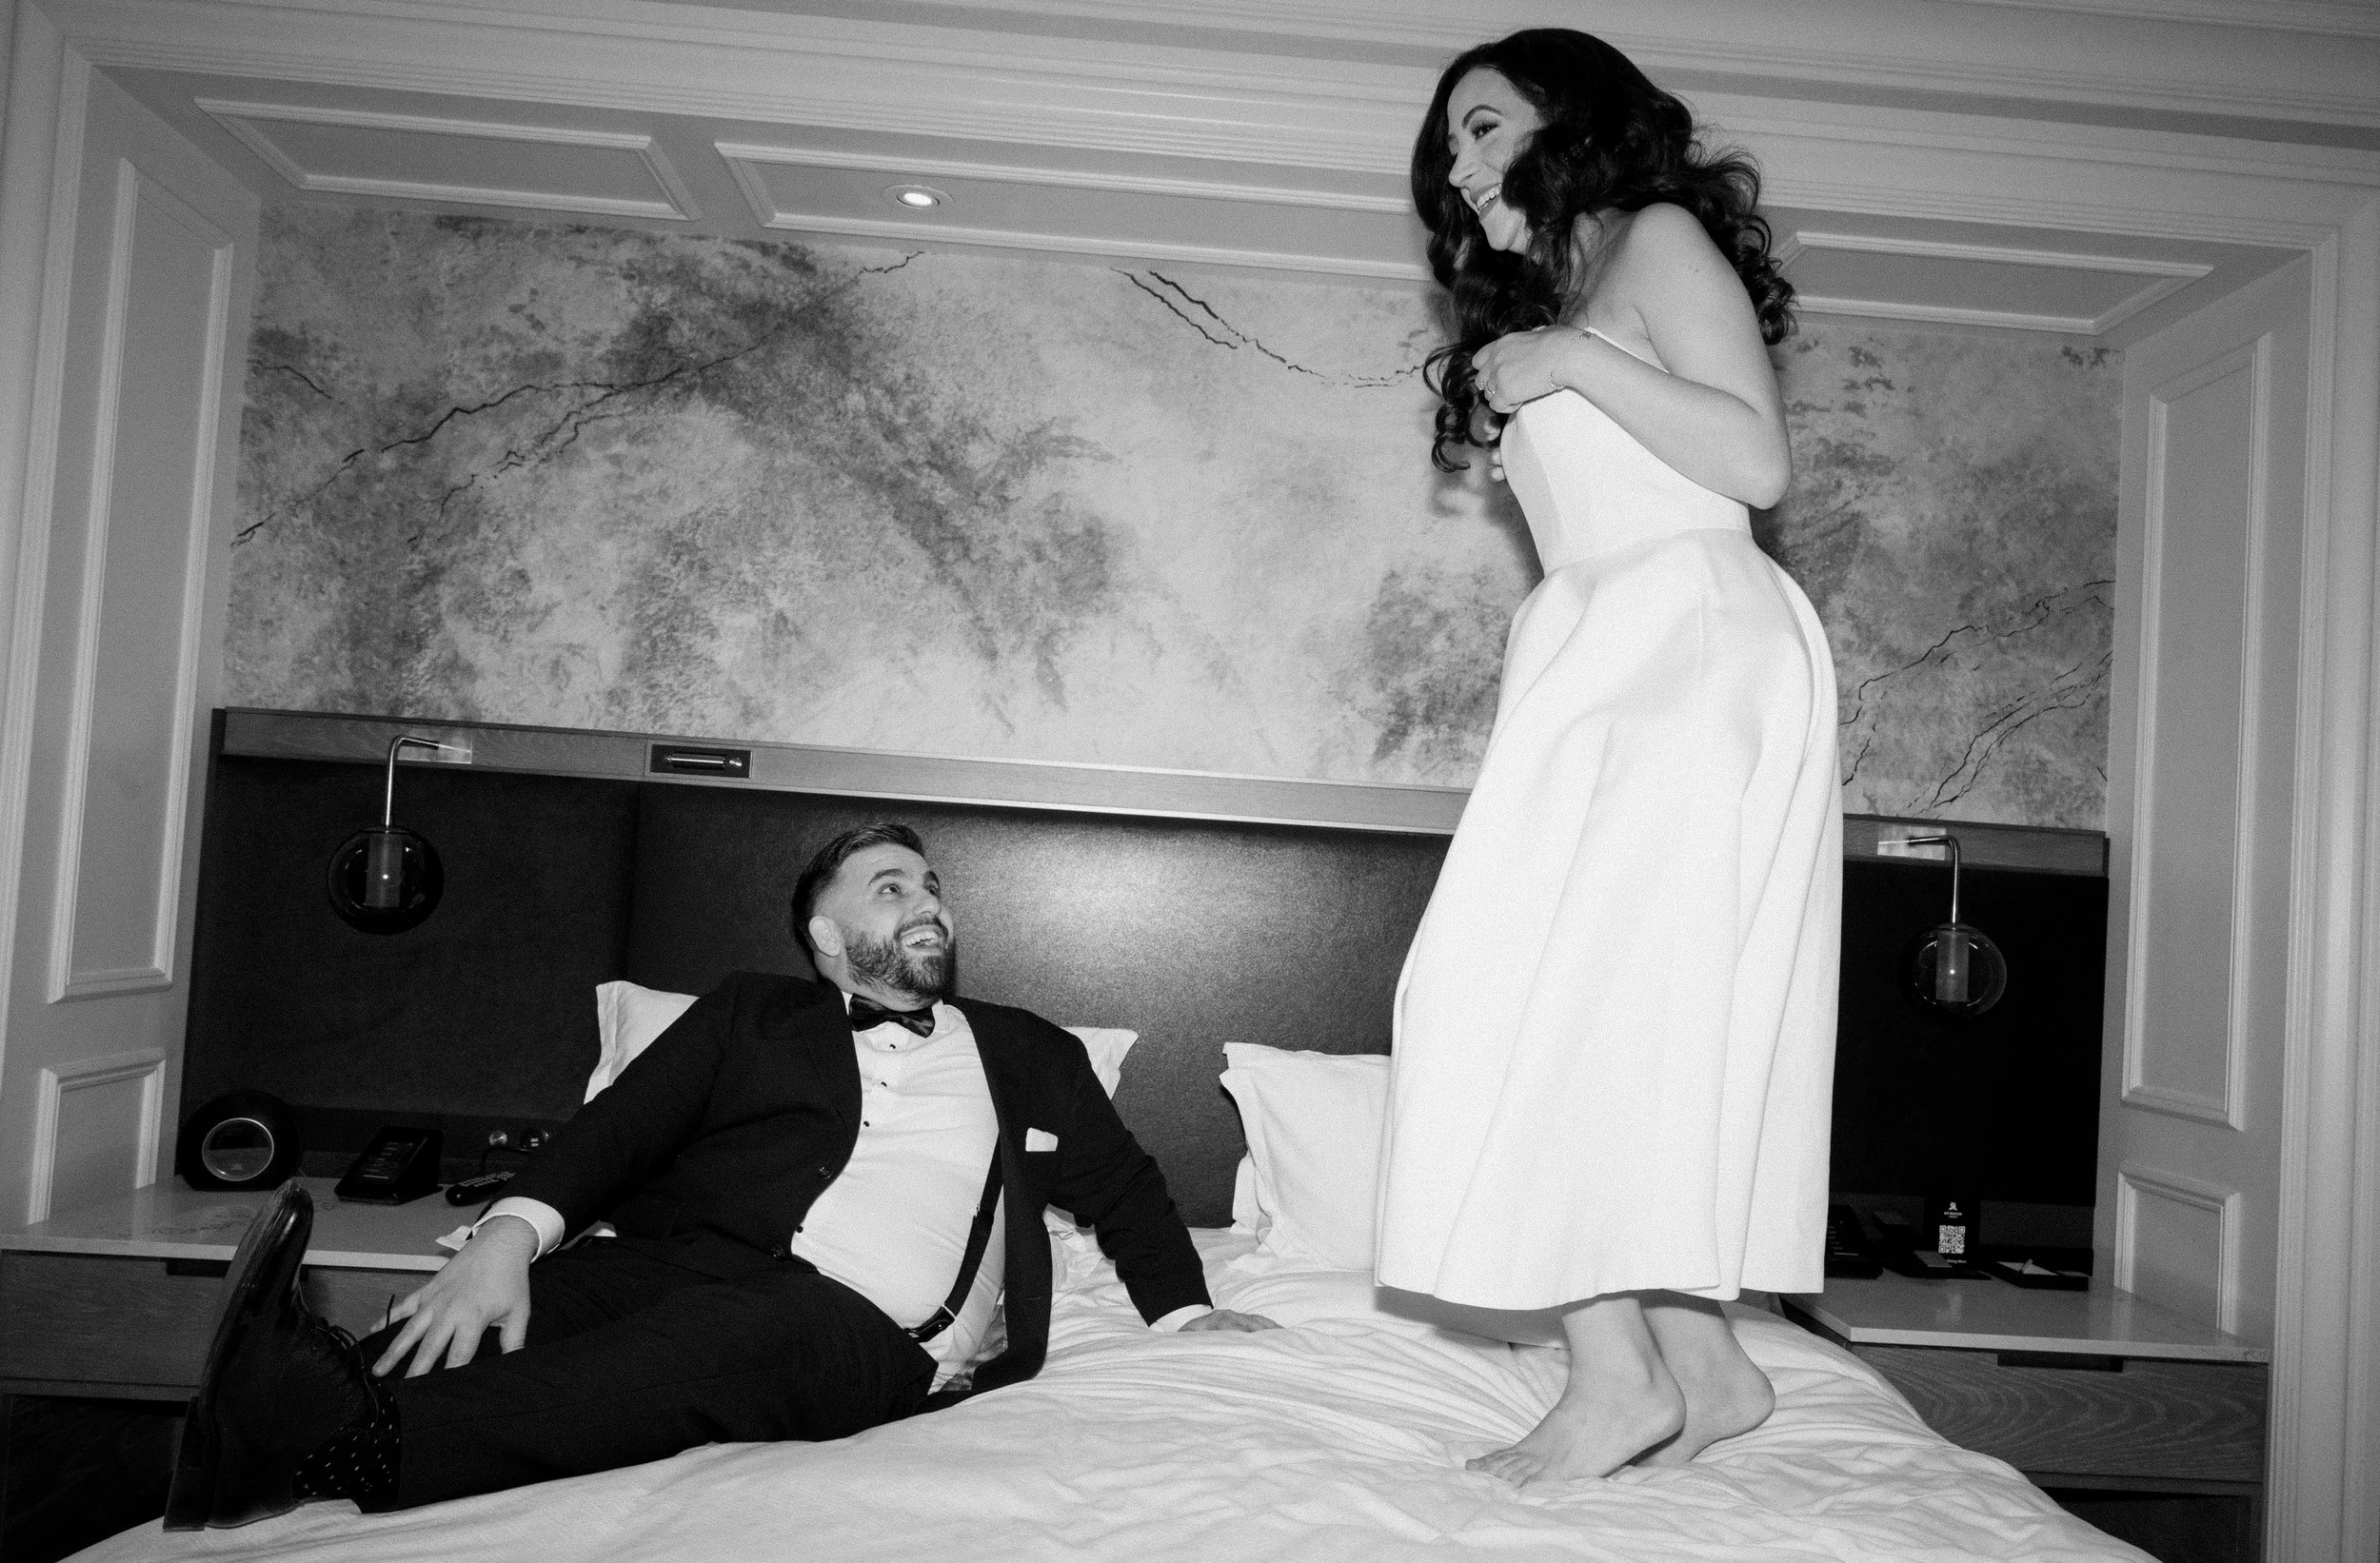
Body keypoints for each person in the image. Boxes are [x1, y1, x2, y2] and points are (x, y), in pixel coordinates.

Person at [167, 821, 1273, 1530]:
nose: (929, 901)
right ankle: (284, 1405)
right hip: (682, 1262)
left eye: (933, 886)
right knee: (529, 1306)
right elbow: (623, 1129)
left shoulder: (1026, 1047)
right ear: (828, 935)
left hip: (863, 1327)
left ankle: (344, 1443)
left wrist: (1184, 1313)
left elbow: (1124, 1188)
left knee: (709, 1349)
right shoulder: (752, 1010)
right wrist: (505, 1239)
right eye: (892, 889)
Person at [1372, 30, 1841, 1485]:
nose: (1459, 165)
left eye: (1487, 126)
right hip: (1600, 653)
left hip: (1683, 642)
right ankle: (1703, 1365)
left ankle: (1616, 1377)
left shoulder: (1654, 239)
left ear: (1572, 122)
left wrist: (1573, 354)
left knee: (1530, 1003)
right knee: (1606, 1010)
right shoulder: (1555, 292)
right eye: (1447, 146)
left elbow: (1754, 468)